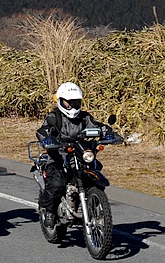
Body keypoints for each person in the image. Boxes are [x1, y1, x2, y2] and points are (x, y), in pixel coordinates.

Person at [36, 81, 113, 228]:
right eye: (69, 103)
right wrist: (47, 138)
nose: (72, 106)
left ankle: (94, 205)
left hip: (81, 154)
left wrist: (108, 132)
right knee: (57, 183)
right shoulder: (54, 117)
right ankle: (50, 211)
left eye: (76, 102)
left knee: (94, 173)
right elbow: (42, 130)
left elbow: (98, 126)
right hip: (59, 157)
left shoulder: (84, 117)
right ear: (60, 102)